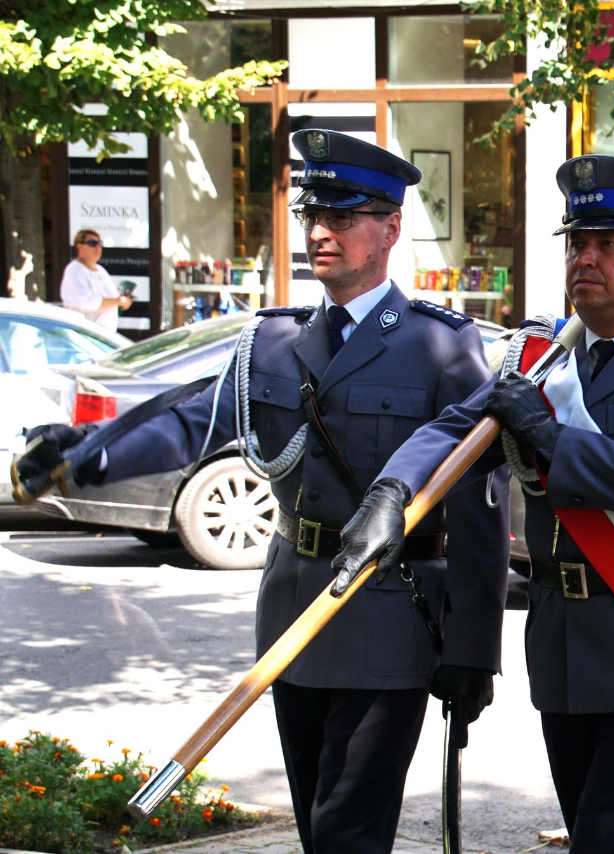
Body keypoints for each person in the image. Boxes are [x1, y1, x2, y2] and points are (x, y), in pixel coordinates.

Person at [21, 130, 508, 854]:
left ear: (390, 228)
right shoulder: (276, 341)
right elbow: (194, 420)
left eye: (342, 218)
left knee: (350, 830)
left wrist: (473, 647)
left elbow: (478, 501)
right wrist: (81, 460)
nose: (320, 233)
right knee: (317, 823)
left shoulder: (439, 344)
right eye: (313, 216)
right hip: (291, 607)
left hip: (388, 616)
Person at [330, 153, 614, 854]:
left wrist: (550, 437)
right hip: (562, 652)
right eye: (578, 243)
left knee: (607, 841)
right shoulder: (541, 356)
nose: (585, 259)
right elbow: (450, 430)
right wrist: (392, 491)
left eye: (610, 245)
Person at [60, 228, 132, 331]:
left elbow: (112, 296)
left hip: (105, 334)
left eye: (100, 243)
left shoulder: (100, 270)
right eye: (92, 243)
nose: (98, 247)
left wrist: (122, 300)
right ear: (80, 246)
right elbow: (87, 302)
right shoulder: (74, 270)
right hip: (84, 334)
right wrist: (117, 301)